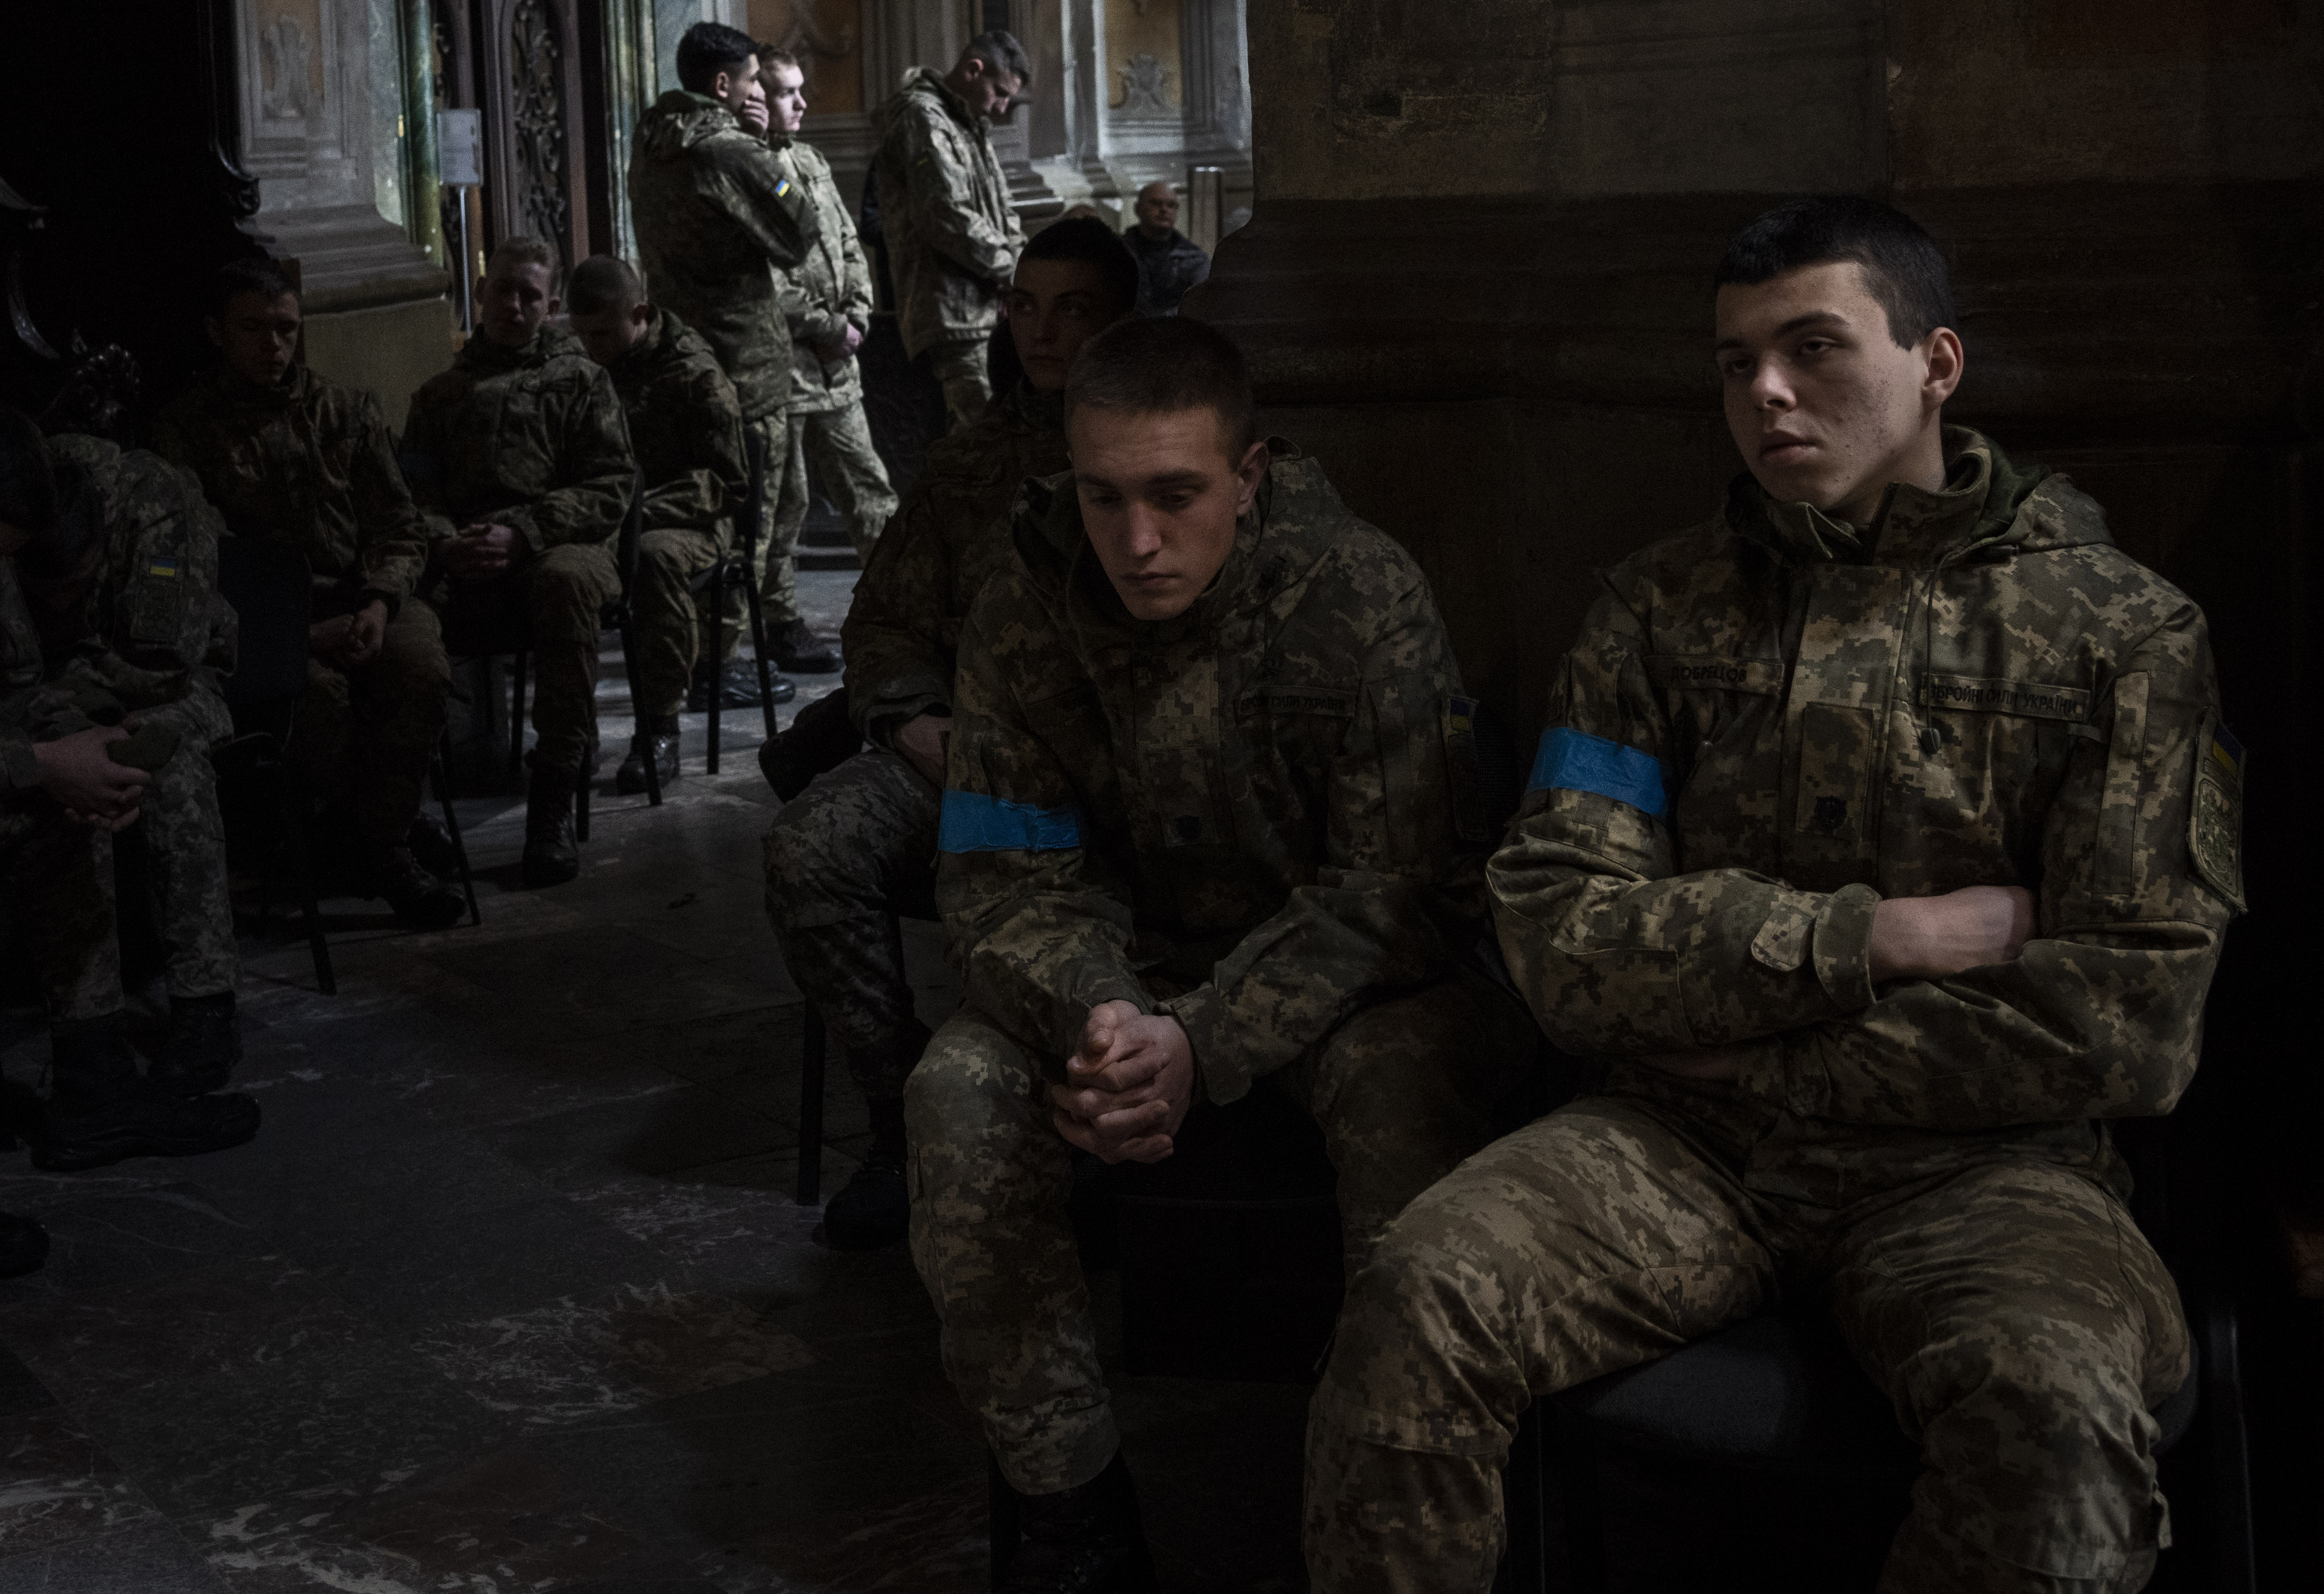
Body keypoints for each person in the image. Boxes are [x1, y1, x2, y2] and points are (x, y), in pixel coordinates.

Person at [1302, 196, 2244, 1594]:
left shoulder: (2118, 634)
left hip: (1984, 1168)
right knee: (1418, 1293)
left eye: (1810, 346)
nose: (1766, 392)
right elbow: (1563, 937)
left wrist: (1748, 1036)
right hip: (1678, 1141)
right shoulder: (1652, 613)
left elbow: (2127, 1022)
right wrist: (1869, 938)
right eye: (1736, 361)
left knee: (2054, 1428)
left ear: (1936, 361)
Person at [908, 314, 1532, 1594]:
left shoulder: (1358, 592)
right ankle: (1067, 1509)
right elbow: (999, 878)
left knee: (1405, 1094)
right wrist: (1108, 1021)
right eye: (1103, 495)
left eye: (1175, 495)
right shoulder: (1024, 600)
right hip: (1116, 974)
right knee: (955, 1094)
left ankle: (1379, 1497)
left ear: (1246, 476)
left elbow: (1394, 890)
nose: (1136, 539)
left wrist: (1203, 1036)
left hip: (1346, 982)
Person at [761, 216, 1136, 1252]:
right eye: (1026, 305)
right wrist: (914, 718)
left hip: (1125, 765)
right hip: (960, 752)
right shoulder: (971, 463)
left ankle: (1099, 1123)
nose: (1043, 330)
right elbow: (884, 618)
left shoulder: (1158, 447)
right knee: (812, 848)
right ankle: (900, 1115)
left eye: (1076, 310)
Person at [0, 406, 261, 1170]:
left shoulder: (149, 508)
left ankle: (130, 1054)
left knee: (137, 768)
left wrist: (66, 750)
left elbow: (159, 664)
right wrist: (44, 755)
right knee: (59, 789)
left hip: (146, 685)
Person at [149, 258, 465, 931]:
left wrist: (379, 603)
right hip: (260, 624)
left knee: (421, 670)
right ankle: (388, 849)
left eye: (287, 328)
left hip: (361, 600)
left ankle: (373, 838)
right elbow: (196, 561)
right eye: (254, 328)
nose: (274, 345)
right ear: (217, 332)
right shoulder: (184, 431)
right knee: (317, 699)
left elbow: (399, 524)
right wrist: (289, 634)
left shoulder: (342, 412)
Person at [400, 238, 638, 886]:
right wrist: (447, 540)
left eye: (530, 294)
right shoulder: (439, 395)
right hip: (461, 553)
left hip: (558, 545)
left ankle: (553, 801)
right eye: (502, 289)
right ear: (479, 293)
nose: (513, 304)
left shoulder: (582, 383)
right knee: (396, 614)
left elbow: (609, 485)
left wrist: (522, 531)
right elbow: (408, 496)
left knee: (566, 584)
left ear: (552, 306)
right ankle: (400, 814)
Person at [30, 427, 256, 1091]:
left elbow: (162, 664)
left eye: (74, 585)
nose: (59, 604)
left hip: (179, 687)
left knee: (162, 756)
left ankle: (205, 1000)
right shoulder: (16, 494)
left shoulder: (153, 502)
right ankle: (86, 1023)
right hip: (68, 691)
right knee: (65, 770)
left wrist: (66, 696)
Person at [630, 20, 821, 701]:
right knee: (748, 515)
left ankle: (705, 652)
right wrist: (765, 142)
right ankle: (724, 661)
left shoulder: (653, 138)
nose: (758, 92)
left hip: (682, 355)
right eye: (749, 81)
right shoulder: (727, 149)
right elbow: (798, 227)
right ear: (723, 85)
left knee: (699, 511)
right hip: (743, 361)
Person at [565, 256, 745, 795]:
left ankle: (658, 730)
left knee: (654, 558)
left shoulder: (694, 374)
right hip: (610, 514)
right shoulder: (582, 368)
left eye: (603, 333)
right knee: (562, 570)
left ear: (639, 313)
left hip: (688, 519)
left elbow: (726, 483)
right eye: (582, 335)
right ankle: (573, 734)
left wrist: (637, 511)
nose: (591, 347)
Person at [762, 42, 896, 658]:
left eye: (800, 88)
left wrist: (859, 312)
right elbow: (765, 280)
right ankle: (780, 619)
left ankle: (898, 603)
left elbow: (845, 239)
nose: (802, 102)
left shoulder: (809, 161)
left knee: (867, 486)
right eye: (788, 91)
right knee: (784, 503)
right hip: (787, 367)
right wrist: (822, 324)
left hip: (838, 362)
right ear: (756, 95)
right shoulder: (746, 168)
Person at [870, 30, 1028, 436]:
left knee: (993, 427)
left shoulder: (967, 123)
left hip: (982, 302)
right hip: (950, 308)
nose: (1002, 108)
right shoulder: (922, 117)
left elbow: (1003, 209)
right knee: (979, 434)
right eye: (999, 92)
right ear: (973, 70)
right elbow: (944, 214)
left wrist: (1020, 266)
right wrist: (1011, 271)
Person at [1122, 179, 1208, 316]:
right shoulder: (1115, 253)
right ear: (1138, 209)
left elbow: (1201, 304)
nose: (1164, 210)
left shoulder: (1194, 258)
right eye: (1155, 203)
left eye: (1171, 205)